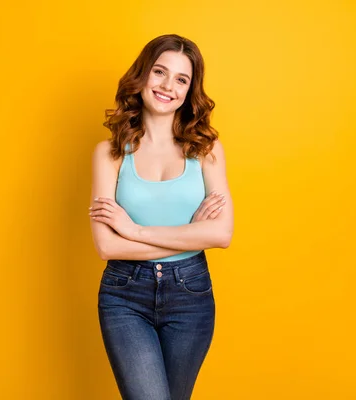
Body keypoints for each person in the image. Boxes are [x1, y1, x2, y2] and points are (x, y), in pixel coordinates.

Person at [88, 34, 234, 400]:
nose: (168, 86)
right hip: (124, 296)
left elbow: (222, 234)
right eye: (160, 72)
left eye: (181, 79)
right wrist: (190, 233)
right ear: (142, 76)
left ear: (190, 90)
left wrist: (133, 230)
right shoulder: (108, 154)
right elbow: (106, 245)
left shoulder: (207, 150)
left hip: (191, 297)